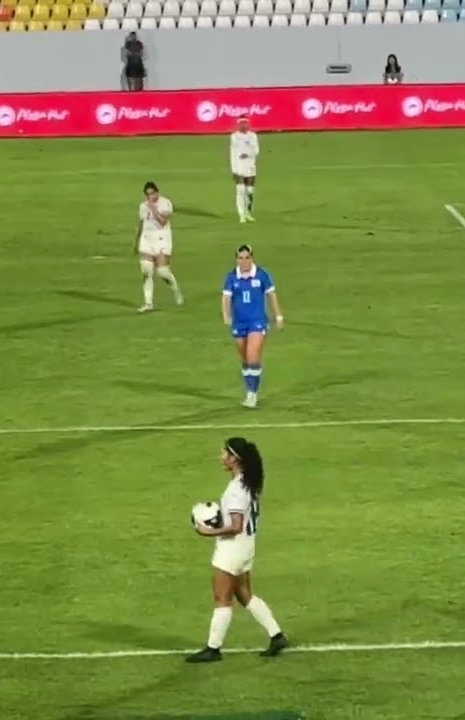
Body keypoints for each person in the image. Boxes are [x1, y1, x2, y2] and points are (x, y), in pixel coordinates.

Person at [187, 436, 289, 663]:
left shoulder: (236, 489)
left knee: (222, 598)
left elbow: (235, 526)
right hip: (246, 546)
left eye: (225, 453)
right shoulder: (248, 482)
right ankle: (277, 635)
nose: (221, 457)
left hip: (232, 549)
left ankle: (213, 649)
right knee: (244, 594)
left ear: (235, 459)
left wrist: (207, 531)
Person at [221, 245, 283, 409]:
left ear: (252, 258)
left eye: (247, 257)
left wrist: (278, 316)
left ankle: (252, 394)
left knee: (253, 356)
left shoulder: (262, 275)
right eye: (240, 258)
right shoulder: (232, 277)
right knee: (245, 359)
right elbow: (226, 298)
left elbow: (272, 295)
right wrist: (226, 315)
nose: (244, 261)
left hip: (257, 321)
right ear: (236, 259)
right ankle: (249, 389)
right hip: (239, 323)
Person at [135, 181, 182, 313]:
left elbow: (162, 222)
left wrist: (153, 208)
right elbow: (142, 223)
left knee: (162, 272)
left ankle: (175, 289)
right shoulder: (142, 206)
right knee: (146, 271)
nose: (151, 196)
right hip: (146, 239)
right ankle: (148, 303)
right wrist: (137, 240)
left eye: (152, 193)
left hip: (162, 239)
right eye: (148, 194)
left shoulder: (165, 203)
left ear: (157, 192)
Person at [230, 117, 259, 223]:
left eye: (245, 123)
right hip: (238, 166)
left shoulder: (253, 136)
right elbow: (235, 152)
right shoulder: (234, 136)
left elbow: (256, 150)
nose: (244, 125)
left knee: (249, 191)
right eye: (241, 123)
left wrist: (247, 153)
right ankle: (241, 214)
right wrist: (233, 169)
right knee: (240, 190)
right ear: (238, 125)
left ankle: (248, 212)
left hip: (250, 166)